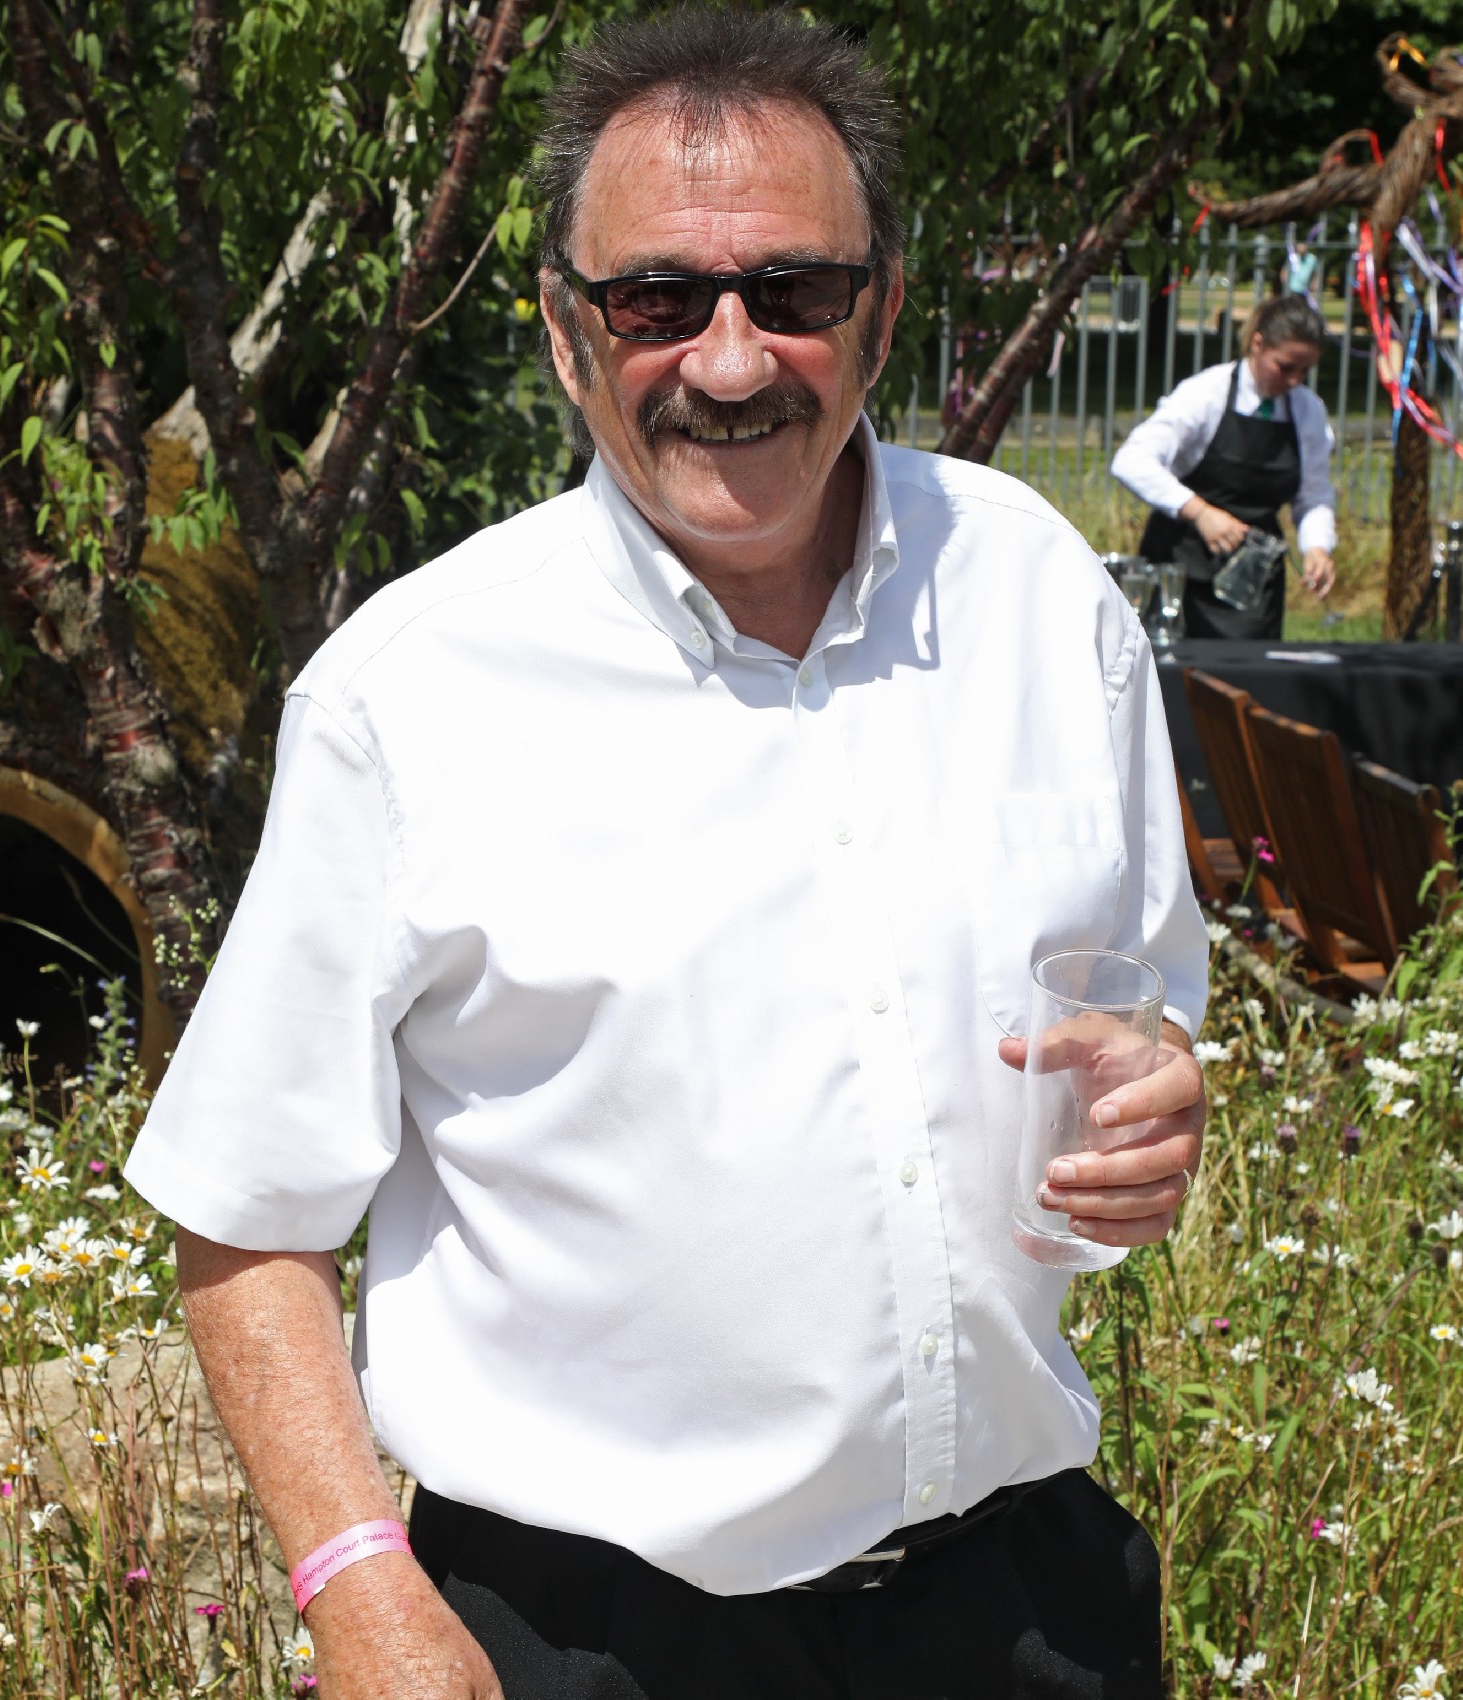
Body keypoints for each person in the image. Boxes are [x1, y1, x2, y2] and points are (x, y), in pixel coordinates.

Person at [124, 10, 1209, 1699]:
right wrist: (356, 1586)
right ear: (568, 332)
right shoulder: (412, 697)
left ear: (884, 308)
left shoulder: (1040, 600)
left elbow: (1148, 1018)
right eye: (657, 301)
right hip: (591, 1642)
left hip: (1020, 1606)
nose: (728, 360)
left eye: (793, 293)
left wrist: (1155, 1102)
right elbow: (247, 1215)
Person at [1111, 295, 1337, 640]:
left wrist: (1317, 546)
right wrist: (1200, 512)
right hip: (1178, 574)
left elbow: (1314, 494)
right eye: (1285, 366)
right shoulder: (1206, 393)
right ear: (1257, 343)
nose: (1294, 380)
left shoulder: (1308, 411)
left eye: (1305, 371)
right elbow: (1131, 460)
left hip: (1252, 584)